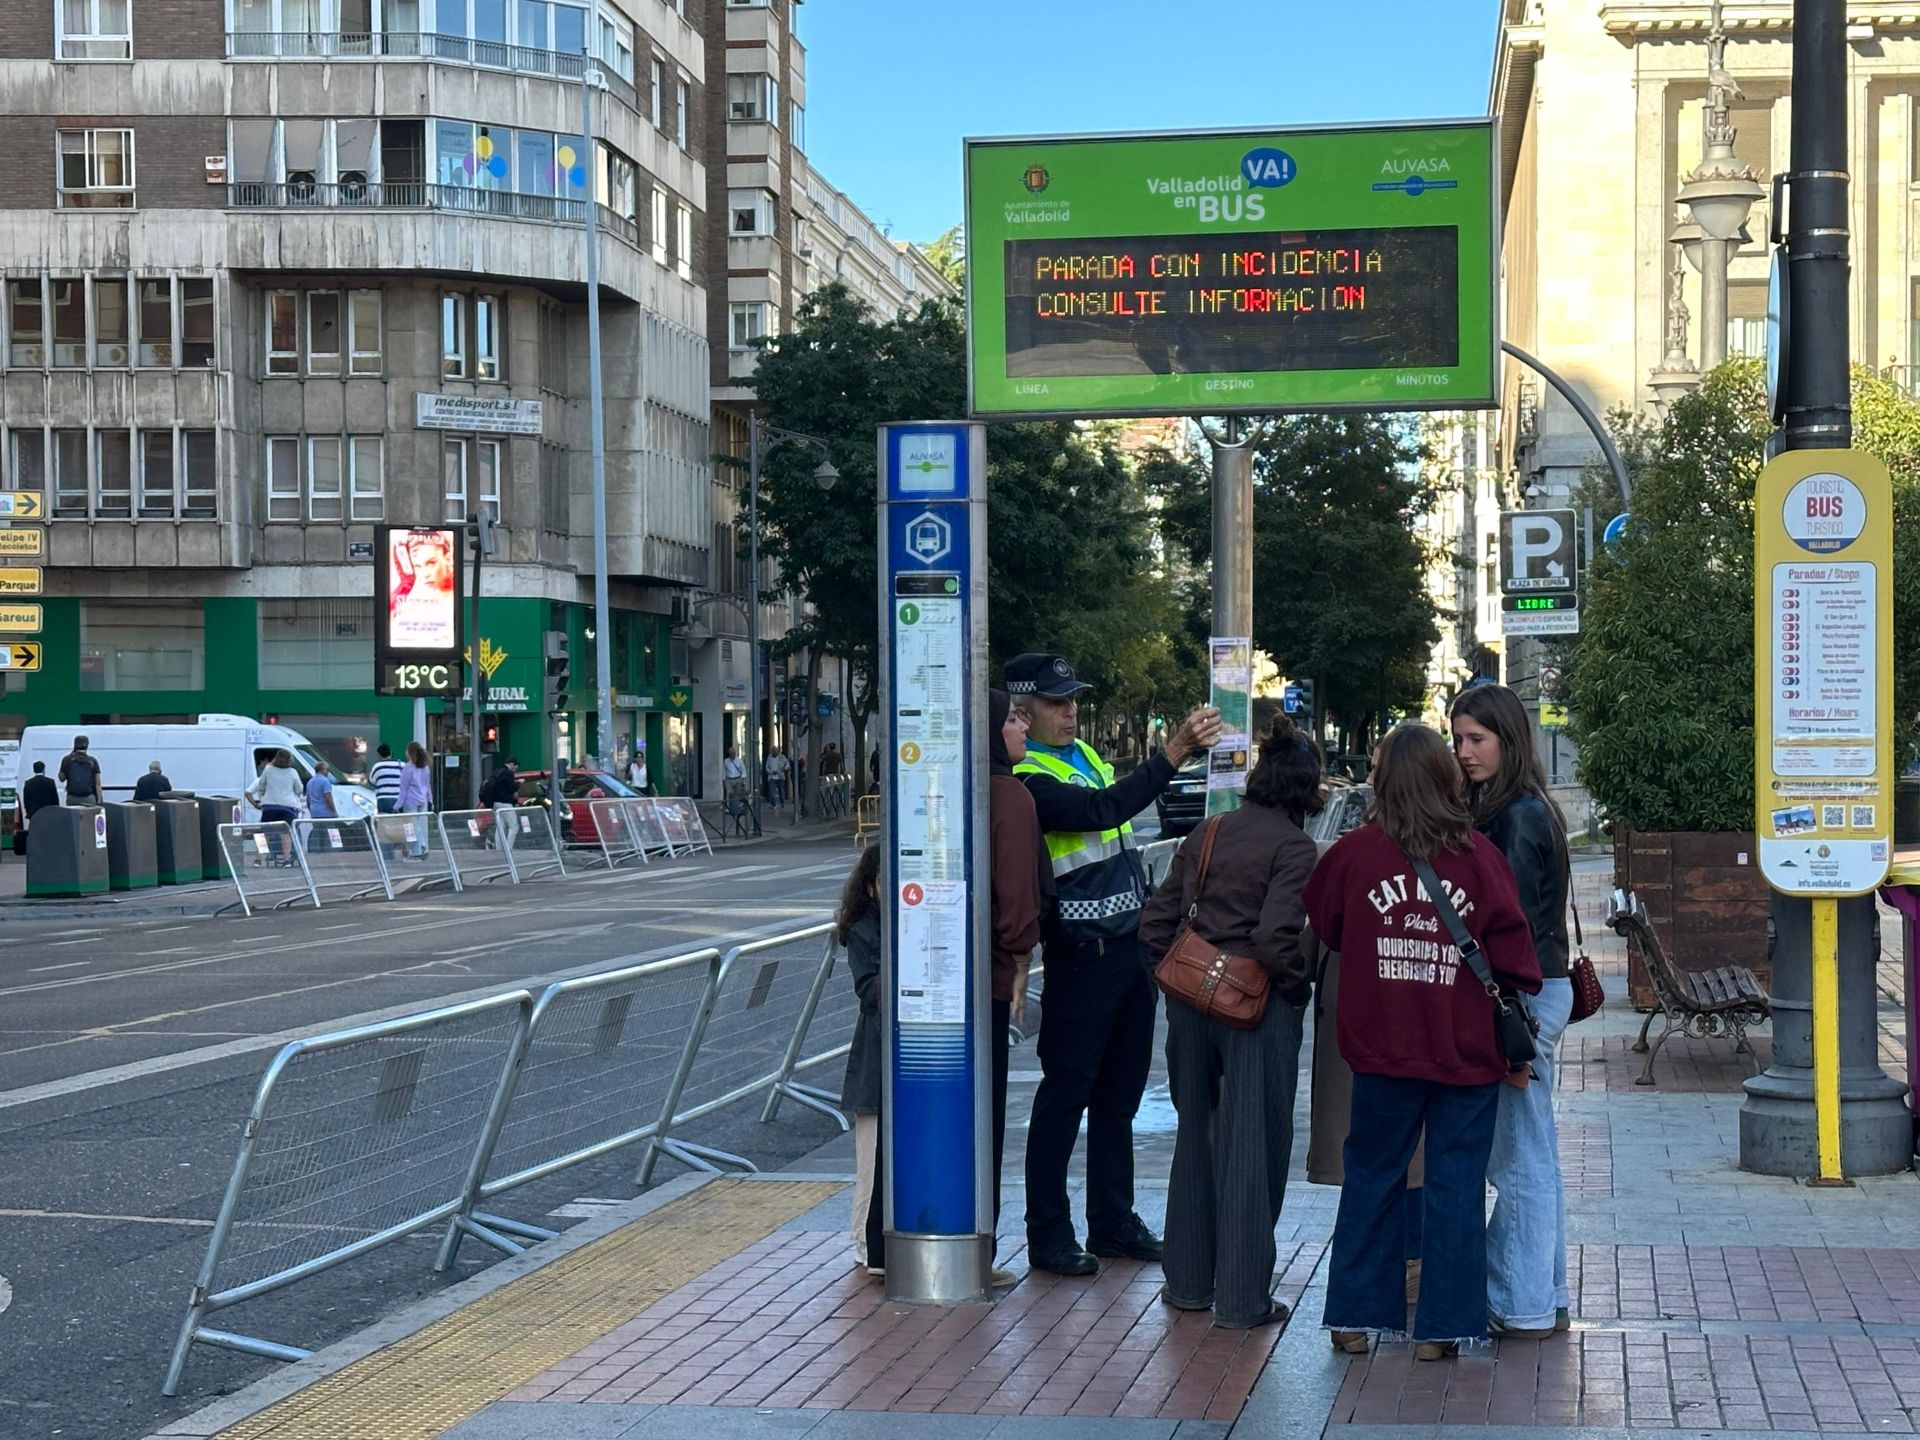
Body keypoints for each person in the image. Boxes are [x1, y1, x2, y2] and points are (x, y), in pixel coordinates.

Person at [1304, 724, 1541, 1361]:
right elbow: (1518, 961)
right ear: (1447, 779)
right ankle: (1440, 1329)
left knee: (1372, 1177)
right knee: (1455, 1185)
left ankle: (1352, 1318)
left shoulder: (1353, 855)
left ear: (1382, 782)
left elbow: (1326, 924)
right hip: (1465, 1054)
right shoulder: (1480, 859)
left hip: (1381, 1050)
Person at [1007, 651, 1222, 1277]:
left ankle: (1112, 1222)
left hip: (1128, 954)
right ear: (1022, 711)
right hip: (1081, 957)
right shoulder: (1027, 776)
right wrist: (1174, 749)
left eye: (1074, 699)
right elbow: (1100, 813)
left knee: (1119, 1100)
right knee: (1064, 1097)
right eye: (1057, 702)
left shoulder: (1087, 758)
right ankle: (1048, 1233)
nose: (1071, 710)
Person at [1139, 715, 1323, 1329]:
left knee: (1196, 1135)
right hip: (1256, 1010)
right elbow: (1276, 939)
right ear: (1306, 793)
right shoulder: (1295, 847)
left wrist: (1181, 985)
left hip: (1189, 1008)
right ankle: (1243, 1298)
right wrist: (1295, 987)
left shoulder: (1210, 830)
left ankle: (1188, 1283)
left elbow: (1157, 922)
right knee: (1252, 1143)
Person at [1452, 683, 1575, 1339]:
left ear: (1508, 740)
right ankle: (1544, 1293)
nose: (1464, 752)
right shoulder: (1530, 809)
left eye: (1476, 739)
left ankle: (1521, 1302)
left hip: (1518, 1001)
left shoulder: (1516, 818)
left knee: (1519, 1158)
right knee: (1534, 1153)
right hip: (1537, 995)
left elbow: (1511, 929)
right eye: (1459, 739)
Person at [988, 689, 1049, 1271]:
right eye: (1011, 718)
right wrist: (1020, 965)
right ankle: (978, 1244)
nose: (1023, 726)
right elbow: (1017, 900)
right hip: (988, 980)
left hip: (942, 979)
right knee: (986, 1113)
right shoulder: (1010, 794)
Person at [837, 846, 885, 1273]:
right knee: (871, 1160)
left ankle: (880, 1240)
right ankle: (864, 1242)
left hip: (900, 1058)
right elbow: (868, 991)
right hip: (874, 1060)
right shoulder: (864, 929)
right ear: (871, 885)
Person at [246, 749, 305, 864]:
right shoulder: (293, 772)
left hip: (269, 806)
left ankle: (259, 859)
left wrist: (263, 798)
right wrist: (294, 795)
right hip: (287, 807)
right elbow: (299, 789)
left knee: (265, 834)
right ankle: (287, 859)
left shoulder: (268, 770)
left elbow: (261, 785)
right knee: (285, 834)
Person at [397, 741, 433, 860]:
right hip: (422, 800)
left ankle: (418, 850)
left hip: (410, 800)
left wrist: (397, 805)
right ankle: (422, 846)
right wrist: (430, 800)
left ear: (409, 752)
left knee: (412, 826)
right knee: (416, 824)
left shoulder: (408, 768)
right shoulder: (425, 768)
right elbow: (427, 785)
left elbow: (404, 788)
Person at [482, 755, 521, 852]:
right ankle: (509, 848)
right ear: (512, 764)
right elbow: (512, 788)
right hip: (505, 803)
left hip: (495, 803)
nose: (515, 769)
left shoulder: (496, 771)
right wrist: (519, 783)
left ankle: (499, 849)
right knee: (514, 826)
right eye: (515, 767)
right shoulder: (508, 773)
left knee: (501, 826)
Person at [58, 736, 100, 805]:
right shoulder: (92, 761)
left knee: (73, 816)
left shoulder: (67, 759)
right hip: (89, 798)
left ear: (74, 745)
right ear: (87, 745)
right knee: (89, 815)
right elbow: (97, 783)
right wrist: (99, 799)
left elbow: (61, 778)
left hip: (72, 798)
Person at [370, 744, 404, 815]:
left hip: (383, 800)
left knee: (384, 823)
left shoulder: (377, 767)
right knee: (399, 823)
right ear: (390, 752)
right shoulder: (401, 765)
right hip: (399, 799)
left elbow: (372, 781)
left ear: (379, 754)